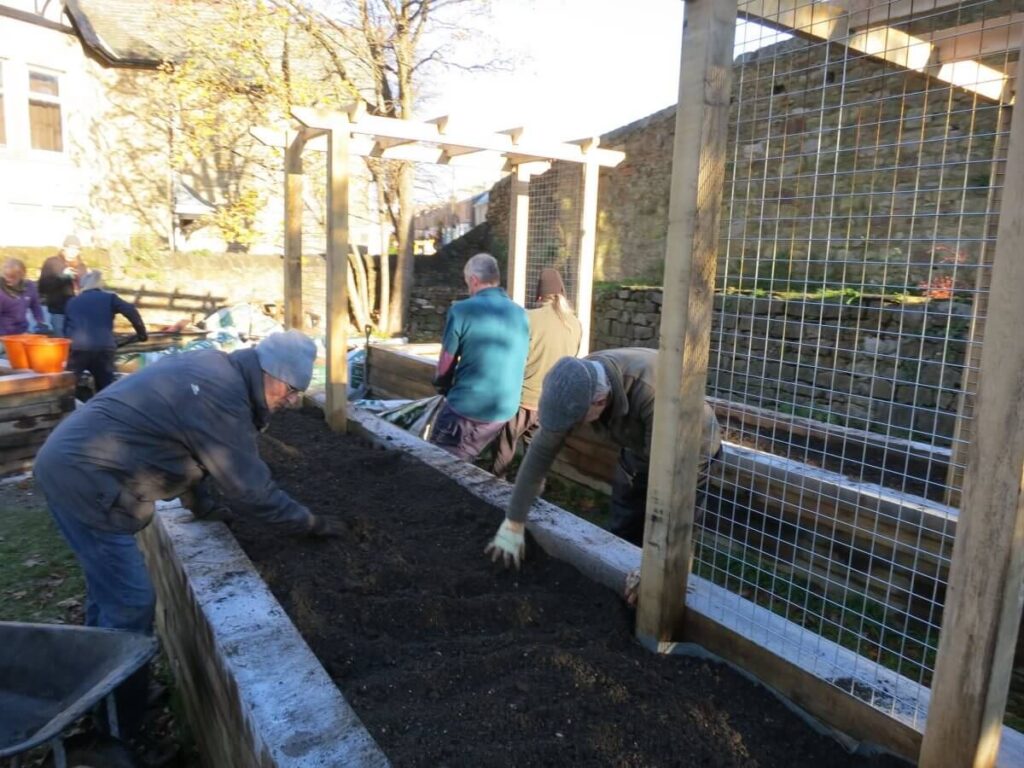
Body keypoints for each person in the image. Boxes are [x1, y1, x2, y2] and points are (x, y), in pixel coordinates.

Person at [33, 329, 343, 733]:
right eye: (291, 390)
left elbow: (187, 447)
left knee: (107, 597)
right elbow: (250, 489)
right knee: (131, 603)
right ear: (273, 374)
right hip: (87, 484)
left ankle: (96, 694)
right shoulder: (221, 396)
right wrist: (311, 523)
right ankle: (118, 729)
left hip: (73, 468)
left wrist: (204, 506)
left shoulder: (215, 371)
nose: (293, 400)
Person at [485, 348, 722, 569]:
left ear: (599, 402)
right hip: (638, 442)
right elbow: (541, 453)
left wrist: (653, 570)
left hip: (688, 447)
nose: (573, 429)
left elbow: (669, 488)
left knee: (673, 524)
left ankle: (667, 581)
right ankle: (624, 569)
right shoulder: (575, 382)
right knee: (626, 512)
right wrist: (514, 521)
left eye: (576, 423)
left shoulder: (654, 394)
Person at [429, 253, 529, 460]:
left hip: (468, 405)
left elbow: (446, 363)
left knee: (435, 460)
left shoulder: (462, 310)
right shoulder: (520, 313)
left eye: (467, 282)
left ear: (473, 280)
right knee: (464, 455)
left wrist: (442, 386)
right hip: (504, 409)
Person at [492, 267, 581, 479]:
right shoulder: (575, 324)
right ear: (562, 292)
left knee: (504, 448)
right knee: (537, 458)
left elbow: (510, 356)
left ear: (539, 294)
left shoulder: (527, 317)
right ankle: (534, 500)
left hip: (523, 399)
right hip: (551, 402)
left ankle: (494, 489)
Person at [65, 270, 148, 393]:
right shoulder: (109, 298)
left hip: (78, 348)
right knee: (106, 389)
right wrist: (141, 333)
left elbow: (66, 329)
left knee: (68, 387)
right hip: (104, 348)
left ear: (82, 286)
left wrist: (71, 348)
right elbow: (130, 310)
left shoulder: (72, 302)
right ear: (100, 285)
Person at [38, 234, 87, 336]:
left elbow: (85, 287)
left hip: (77, 311)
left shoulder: (81, 266)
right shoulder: (52, 263)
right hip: (58, 310)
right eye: (70, 248)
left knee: (76, 342)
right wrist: (61, 277)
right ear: (64, 248)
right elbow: (42, 286)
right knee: (61, 341)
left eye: (77, 249)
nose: (73, 252)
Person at [0, 258, 46, 336]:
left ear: (22, 275)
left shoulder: (30, 287)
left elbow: (35, 306)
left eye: (12, 277)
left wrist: (40, 322)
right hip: (3, 332)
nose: (8, 280)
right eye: (6, 276)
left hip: (22, 331)